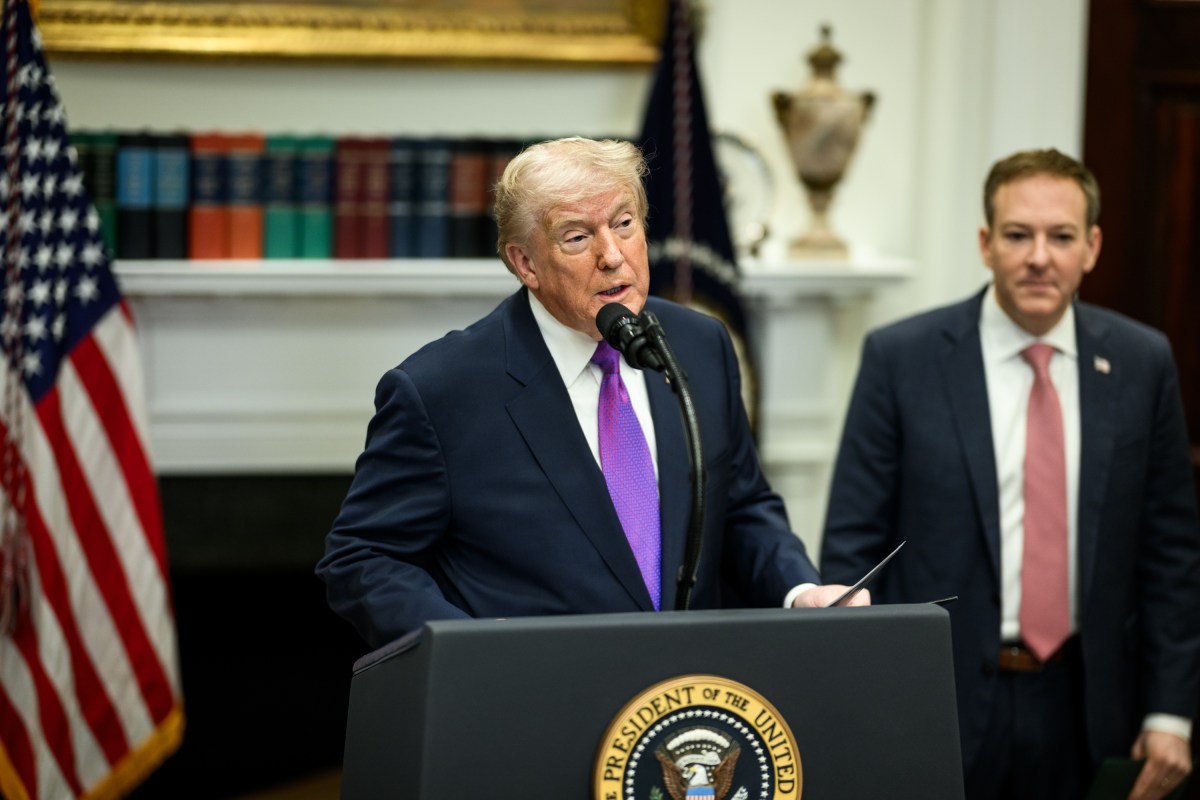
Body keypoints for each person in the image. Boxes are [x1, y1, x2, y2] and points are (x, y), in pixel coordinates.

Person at [317, 136, 863, 652]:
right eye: (577, 236)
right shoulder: (440, 390)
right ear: (525, 262)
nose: (612, 254)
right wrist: (466, 650)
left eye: (625, 224)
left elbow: (741, 506)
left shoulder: (700, 346)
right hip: (535, 708)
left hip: (685, 698)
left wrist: (799, 590)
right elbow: (363, 557)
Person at [819, 148, 1200, 800]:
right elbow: (854, 548)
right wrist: (867, 704)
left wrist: (1169, 713)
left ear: (1093, 246)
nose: (1039, 257)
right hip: (942, 699)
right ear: (986, 243)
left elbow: (1171, 555)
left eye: (1061, 237)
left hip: (1092, 705)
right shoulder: (902, 359)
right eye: (1019, 235)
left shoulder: (1142, 362)